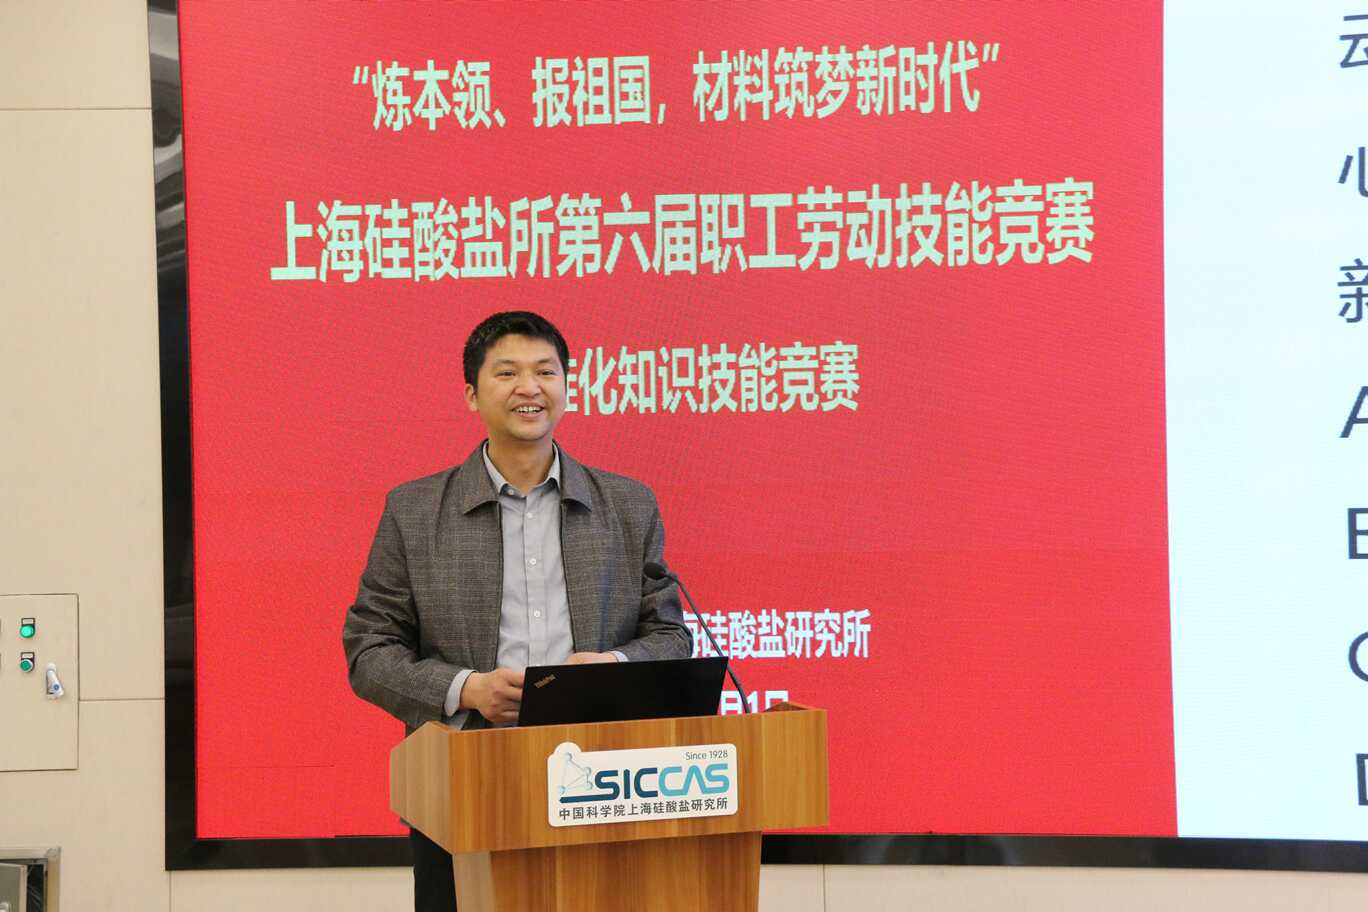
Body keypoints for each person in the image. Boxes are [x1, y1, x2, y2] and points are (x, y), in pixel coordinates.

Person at [342, 310, 692, 911]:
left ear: (567, 387)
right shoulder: (414, 511)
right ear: (472, 394)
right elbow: (369, 651)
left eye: (545, 372)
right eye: (507, 373)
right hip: (463, 784)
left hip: (603, 782)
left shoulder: (628, 504)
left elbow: (671, 637)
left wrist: (612, 667)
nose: (529, 387)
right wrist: (466, 689)